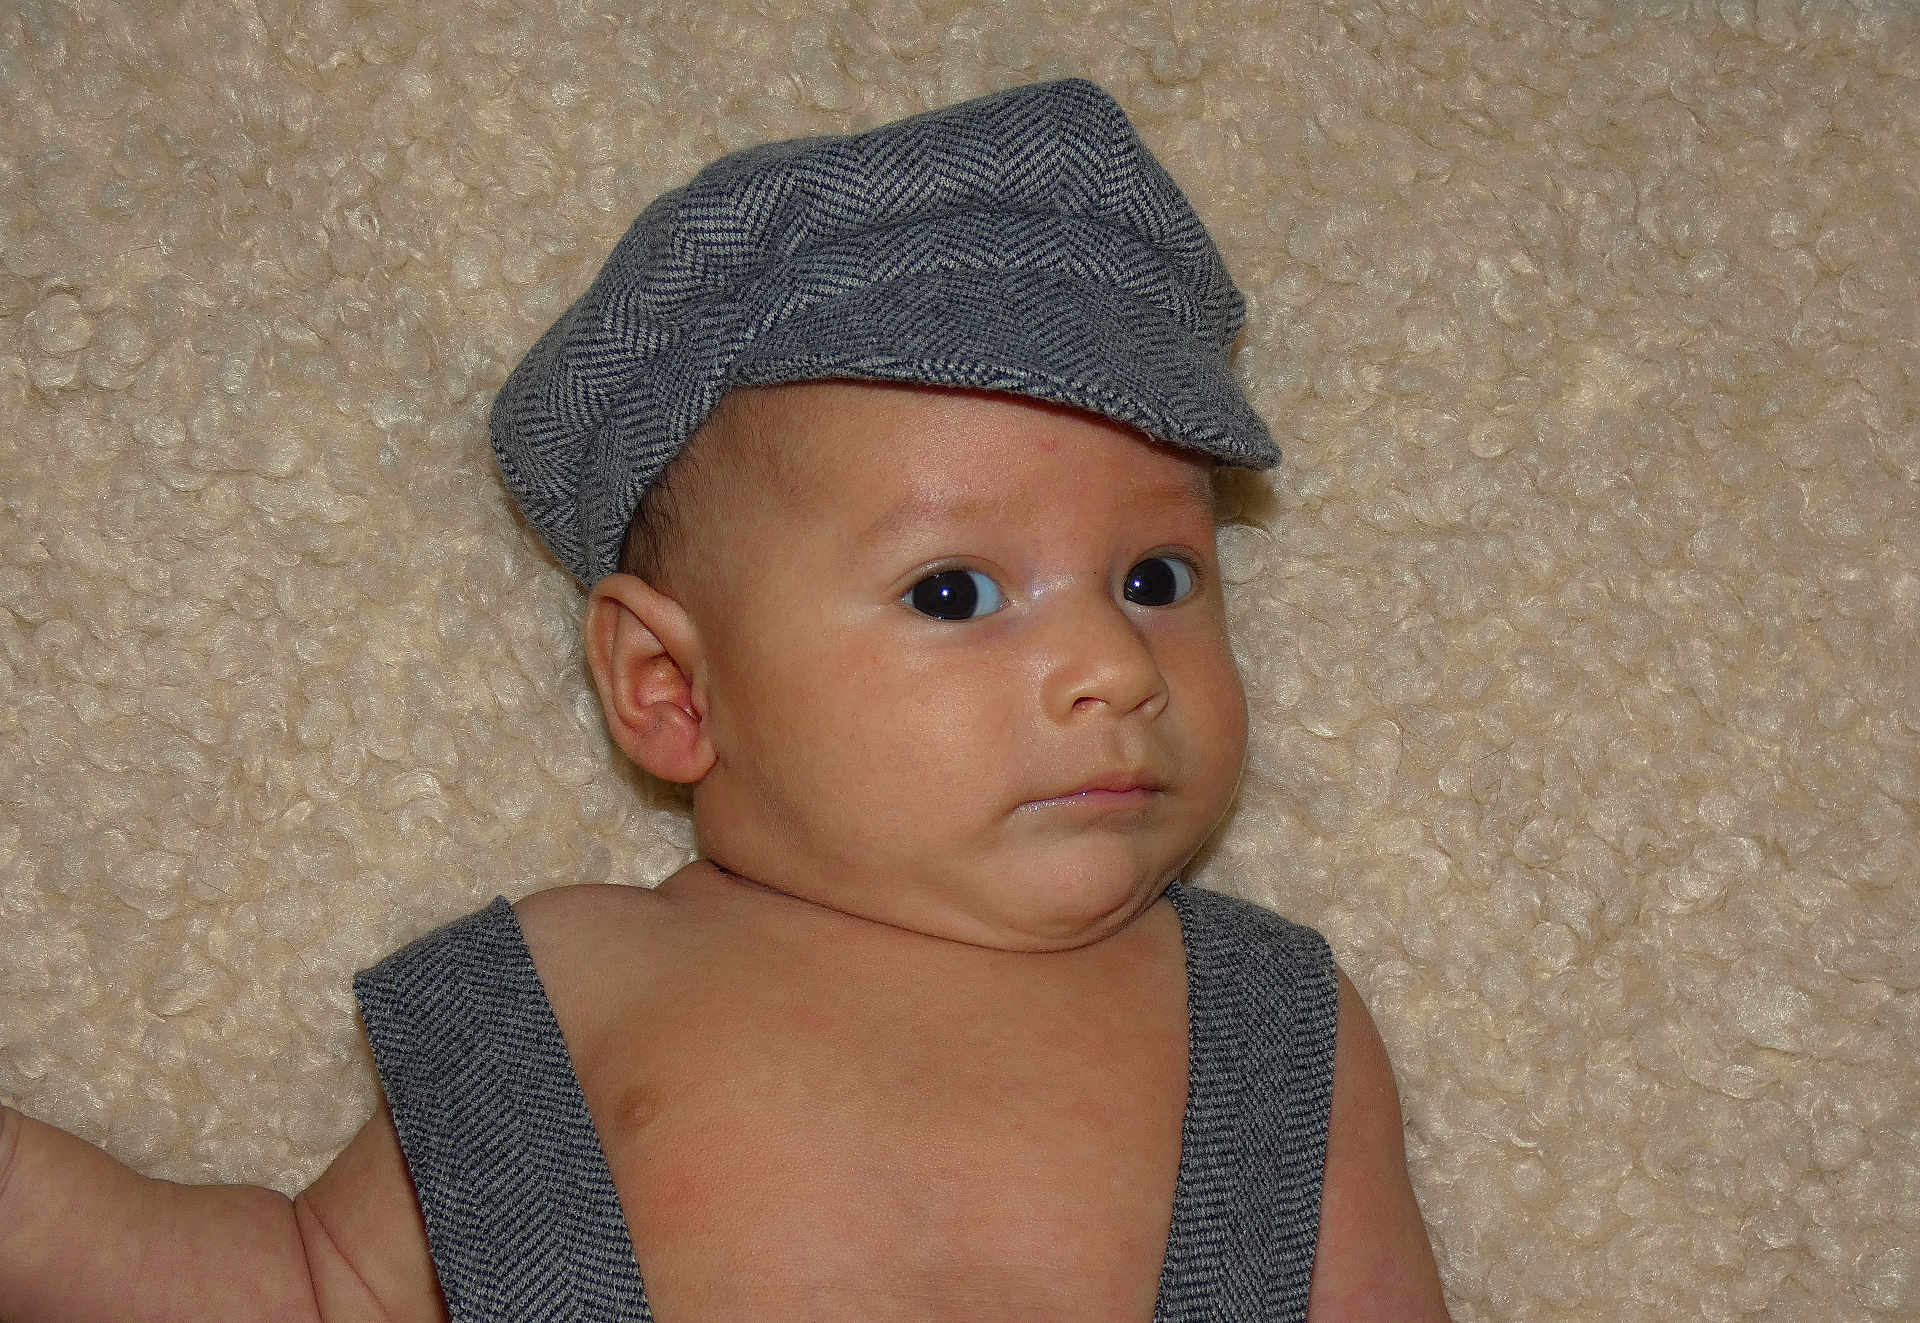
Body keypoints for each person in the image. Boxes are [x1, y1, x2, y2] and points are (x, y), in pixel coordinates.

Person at [0, 78, 1448, 1321]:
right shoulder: (577, 990)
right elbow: (312, 1291)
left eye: (1157, 578)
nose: (1120, 670)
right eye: (955, 593)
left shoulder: (1270, 1025)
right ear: (671, 691)